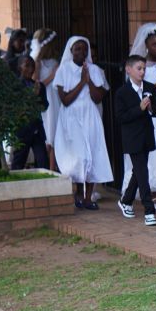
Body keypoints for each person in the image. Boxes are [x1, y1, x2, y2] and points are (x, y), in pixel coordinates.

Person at [53, 36, 113, 210]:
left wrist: (89, 80)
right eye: (78, 49)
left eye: (84, 49)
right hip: (71, 118)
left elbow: (98, 97)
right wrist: (82, 82)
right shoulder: (63, 69)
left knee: (92, 154)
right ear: (71, 51)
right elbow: (65, 100)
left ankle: (88, 197)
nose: (82, 52)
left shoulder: (94, 69)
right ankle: (78, 193)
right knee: (79, 156)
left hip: (90, 116)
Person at [127, 23, 156, 203]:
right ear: (146, 46)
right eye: (155, 44)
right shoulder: (141, 66)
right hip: (151, 109)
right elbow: (136, 87)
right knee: (154, 145)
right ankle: (153, 188)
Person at [113, 55, 156, 225]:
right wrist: (138, 109)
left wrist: (150, 108)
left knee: (138, 171)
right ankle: (149, 210)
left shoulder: (150, 87)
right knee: (142, 172)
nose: (142, 72)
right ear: (128, 69)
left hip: (146, 136)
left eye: (144, 68)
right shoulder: (122, 92)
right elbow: (120, 117)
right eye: (139, 68)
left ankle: (126, 200)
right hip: (132, 138)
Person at [31, 29, 63, 171]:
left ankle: (53, 166)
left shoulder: (55, 61)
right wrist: (53, 75)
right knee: (48, 131)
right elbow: (36, 84)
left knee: (55, 131)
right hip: (46, 97)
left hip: (56, 97)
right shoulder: (38, 62)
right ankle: (48, 167)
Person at [11, 55, 49, 171]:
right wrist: (32, 96)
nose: (30, 69)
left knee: (43, 162)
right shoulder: (15, 86)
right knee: (18, 163)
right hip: (22, 131)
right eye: (27, 66)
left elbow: (44, 106)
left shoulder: (39, 86)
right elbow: (16, 106)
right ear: (19, 67)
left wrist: (38, 96)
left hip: (37, 130)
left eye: (32, 66)